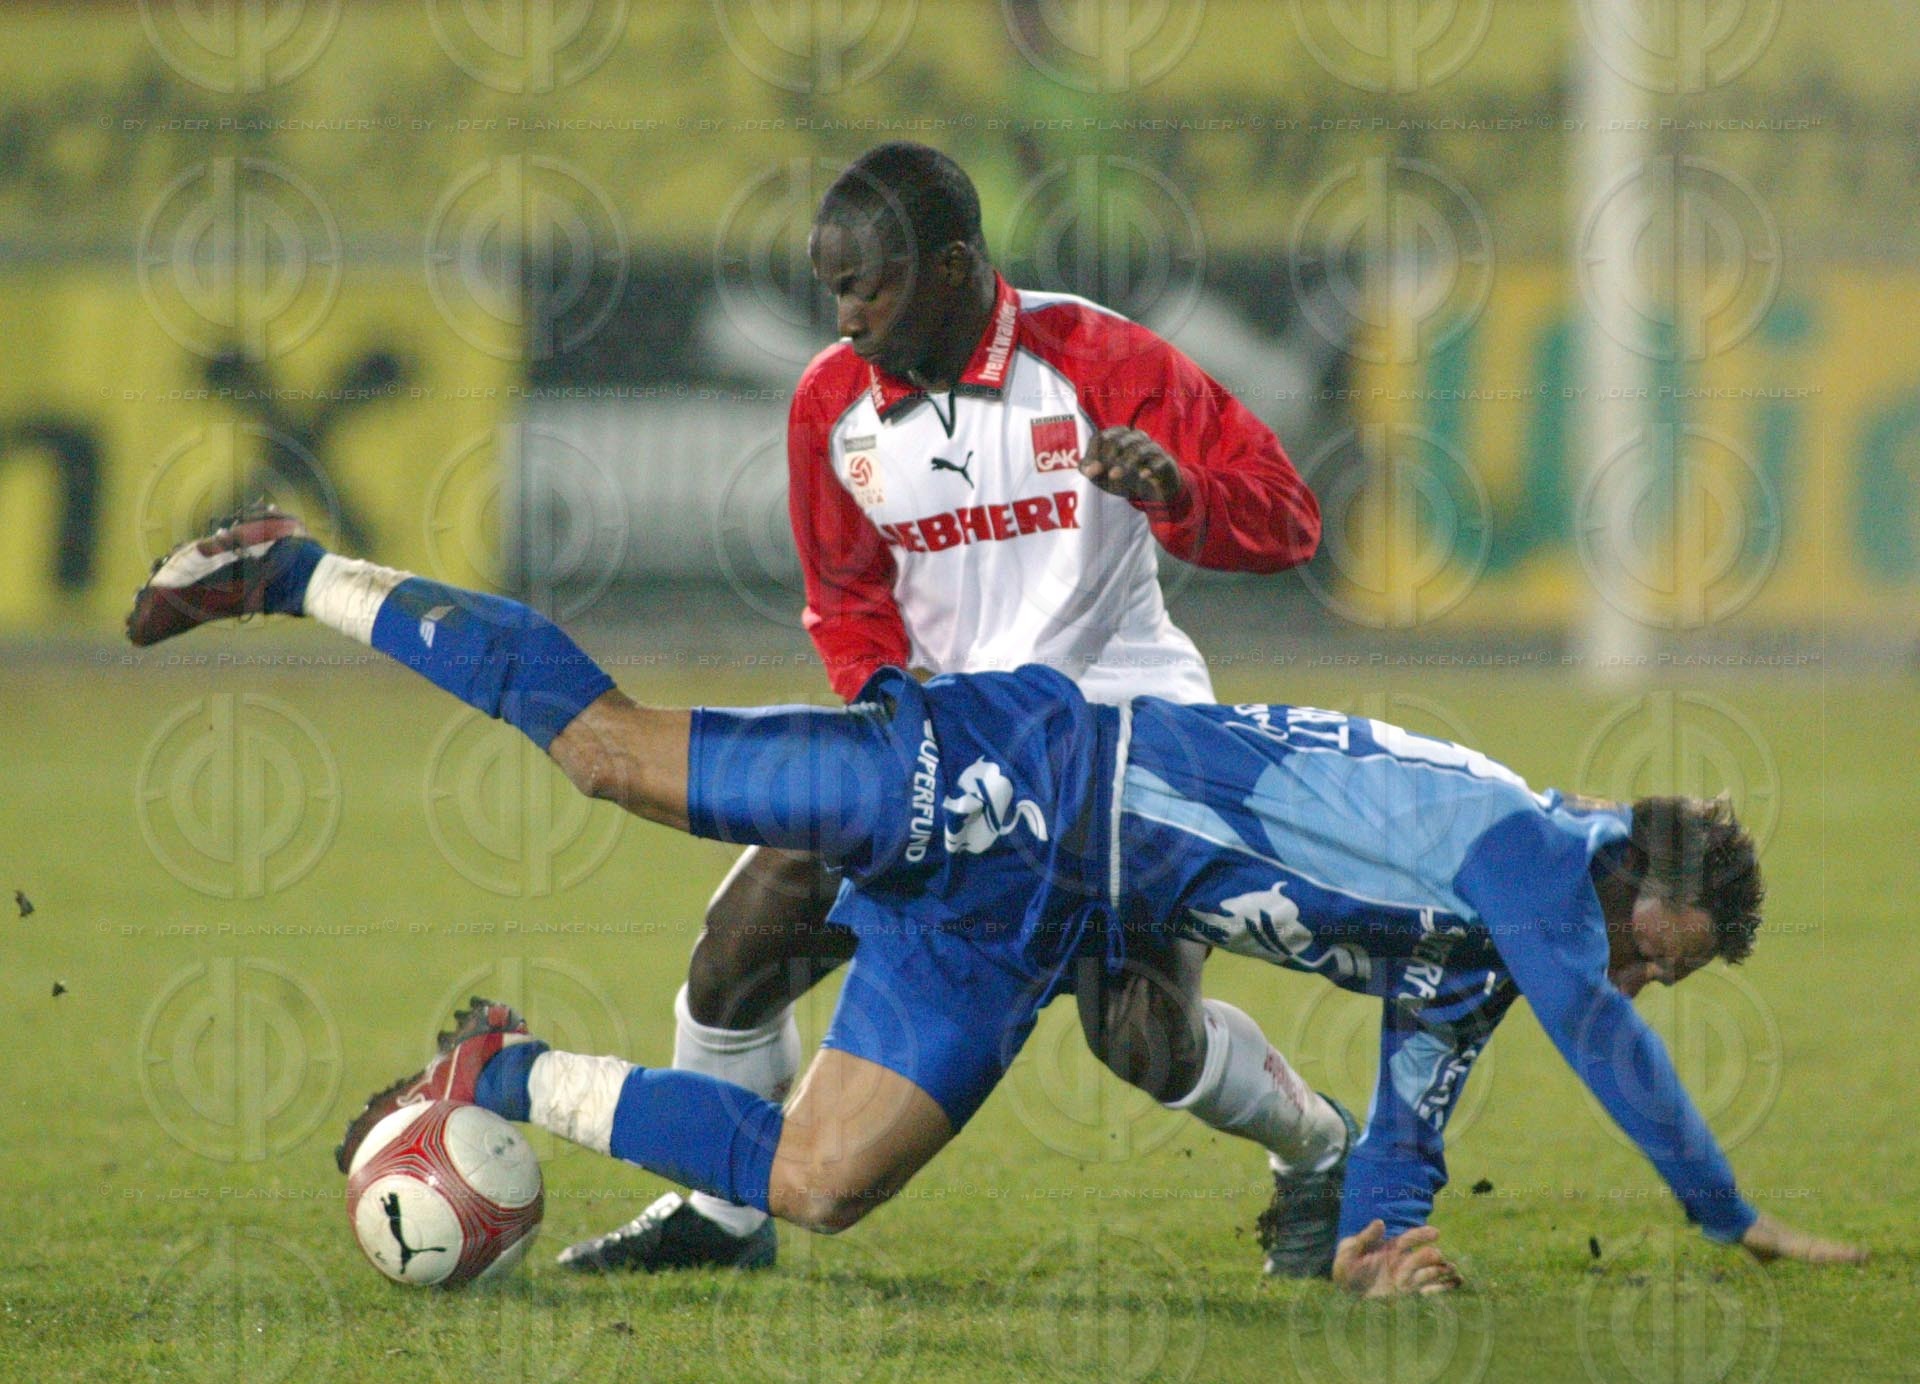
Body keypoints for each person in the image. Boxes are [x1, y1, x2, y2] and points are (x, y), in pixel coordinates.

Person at [125, 509, 1867, 1296]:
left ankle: (497, 1073)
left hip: (1039, 912)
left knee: (817, 1184)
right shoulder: (1511, 845)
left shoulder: (1482, 964)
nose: (1638, 975)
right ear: (1627, 878)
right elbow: (1586, 1017)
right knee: (619, 760)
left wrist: (1380, 1234)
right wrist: (1724, 1207)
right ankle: (294, 566)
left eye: (1661, 971)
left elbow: (1415, 1125)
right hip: (1027, 770)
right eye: (1655, 947)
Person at [586, 141, 1328, 1273]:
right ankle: (720, 1213)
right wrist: (884, 696)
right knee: (739, 949)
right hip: (942, 748)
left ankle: (1318, 1155)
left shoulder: (1099, 357)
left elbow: (1286, 518)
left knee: (1143, 1037)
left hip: (1114, 741)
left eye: (865, 287)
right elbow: (844, 599)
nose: (845, 318)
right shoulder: (831, 406)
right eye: (832, 290)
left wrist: (1179, 495)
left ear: (951, 267)